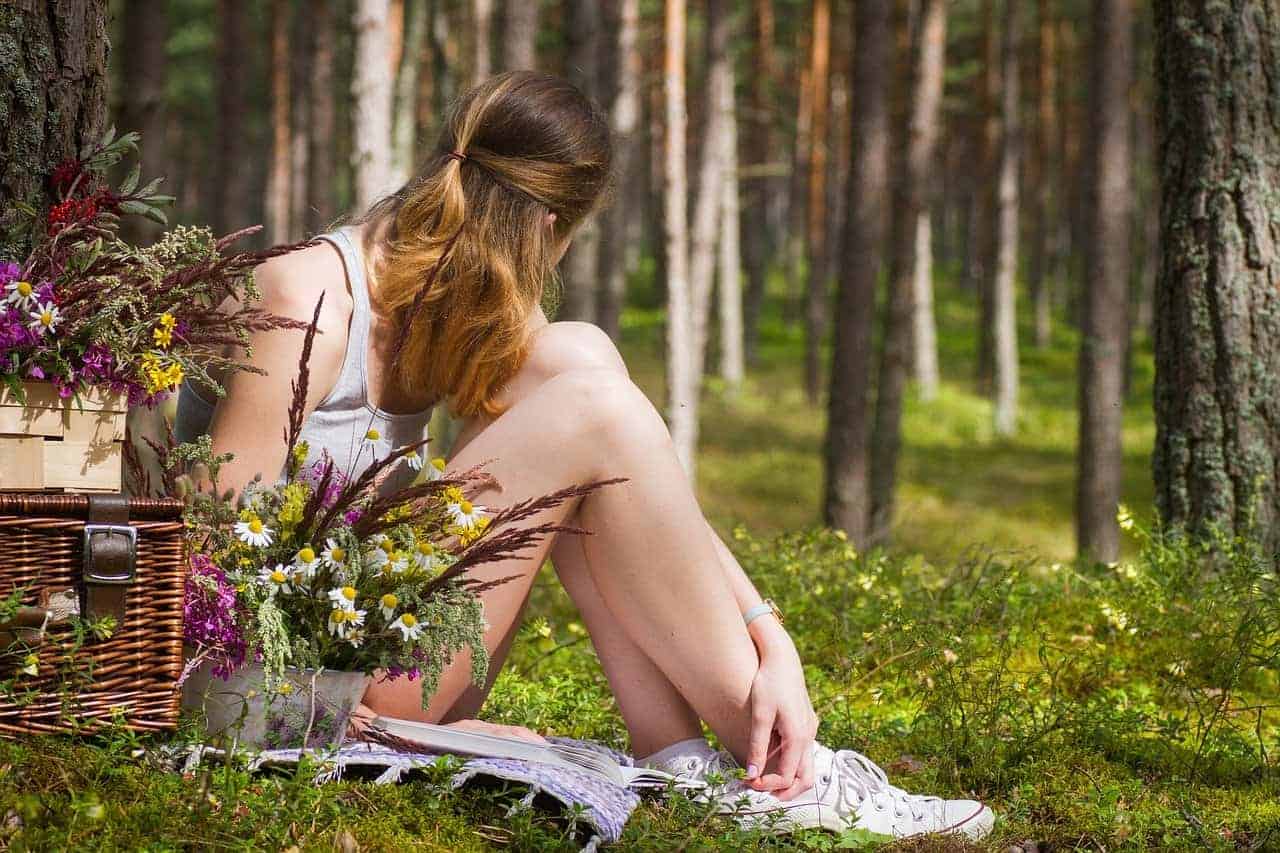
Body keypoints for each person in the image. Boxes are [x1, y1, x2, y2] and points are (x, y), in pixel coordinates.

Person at [175, 71, 993, 840]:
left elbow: (643, 487)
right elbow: (202, 564)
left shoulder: (448, 302)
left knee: (580, 356)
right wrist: (377, 719)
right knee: (591, 405)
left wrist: (771, 635)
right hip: (319, 690)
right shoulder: (303, 296)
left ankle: (681, 752)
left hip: (395, 646)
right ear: (546, 228)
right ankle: (791, 772)